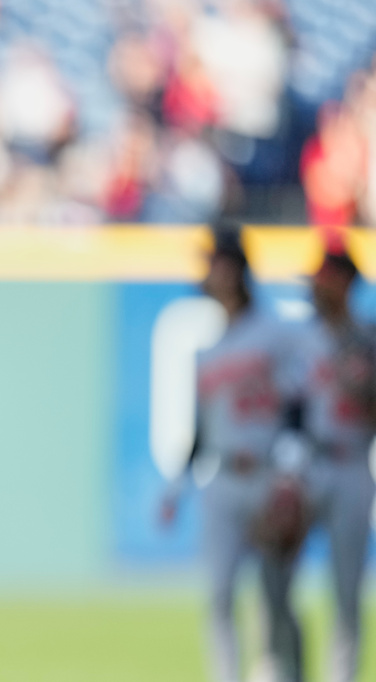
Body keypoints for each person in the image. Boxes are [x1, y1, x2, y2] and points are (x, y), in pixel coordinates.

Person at [159, 219, 306, 682]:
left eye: (213, 261)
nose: (205, 270)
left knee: (276, 597)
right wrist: (176, 487)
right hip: (221, 478)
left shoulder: (275, 334)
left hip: (268, 475)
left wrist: (290, 475)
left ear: (233, 267)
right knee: (219, 594)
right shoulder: (208, 348)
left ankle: (288, 674)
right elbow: (200, 431)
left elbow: (298, 408)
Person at [299, 240, 376, 682]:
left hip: (352, 462)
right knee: (274, 572)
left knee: (347, 591)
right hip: (304, 464)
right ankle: (280, 667)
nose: (316, 285)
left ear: (345, 281)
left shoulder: (366, 338)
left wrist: (361, 384)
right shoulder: (299, 338)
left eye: (324, 276)